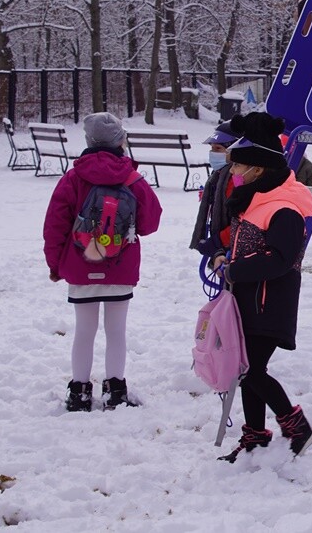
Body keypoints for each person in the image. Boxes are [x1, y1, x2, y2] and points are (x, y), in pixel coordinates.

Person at [214, 112, 312, 462]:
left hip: (269, 304)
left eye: (238, 165)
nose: (232, 171)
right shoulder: (256, 201)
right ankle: (256, 434)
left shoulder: (284, 207)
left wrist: (234, 270)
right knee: (247, 371)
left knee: (251, 370)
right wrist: (224, 259)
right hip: (248, 302)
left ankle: (295, 424)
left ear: (257, 168)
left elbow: (279, 259)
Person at [43, 112, 163, 412]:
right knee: (116, 331)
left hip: (81, 265)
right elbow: (150, 223)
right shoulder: (132, 178)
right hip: (119, 267)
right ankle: (115, 391)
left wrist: (56, 265)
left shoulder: (73, 178)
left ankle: (79, 393)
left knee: (84, 331)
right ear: (120, 140)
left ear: (88, 141)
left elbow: (55, 226)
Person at [189, 122, 239, 258]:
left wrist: (218, 241)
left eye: (218, 149)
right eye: (211, 148)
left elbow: (243, 222)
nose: (212, 153)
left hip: (233, 247)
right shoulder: (218, 176)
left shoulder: (235, 180)